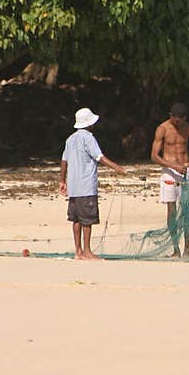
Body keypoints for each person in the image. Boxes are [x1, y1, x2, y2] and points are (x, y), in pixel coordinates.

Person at [59, 107, 125, 260]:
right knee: (87, 219)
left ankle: (78, 251)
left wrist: (62, 181)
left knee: (75, 219)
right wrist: (116, 167)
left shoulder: (70, 139)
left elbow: (64, 161)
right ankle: (87, 251)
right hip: (86, 186)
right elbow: (99, 157)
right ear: (89, 124)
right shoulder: (88, 138)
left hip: (74, 187)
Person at [150, 102, 189, 258]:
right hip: (169, 172)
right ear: (170, 116)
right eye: (175, 120)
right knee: (171, 210)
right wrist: (172, 166)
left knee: (187, 210)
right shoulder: (162, 129)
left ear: (184, 118)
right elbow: (154, 155)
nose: (177, 124)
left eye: (180, 121)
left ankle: (187, 248)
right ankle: (175, 248)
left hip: (186, 170)